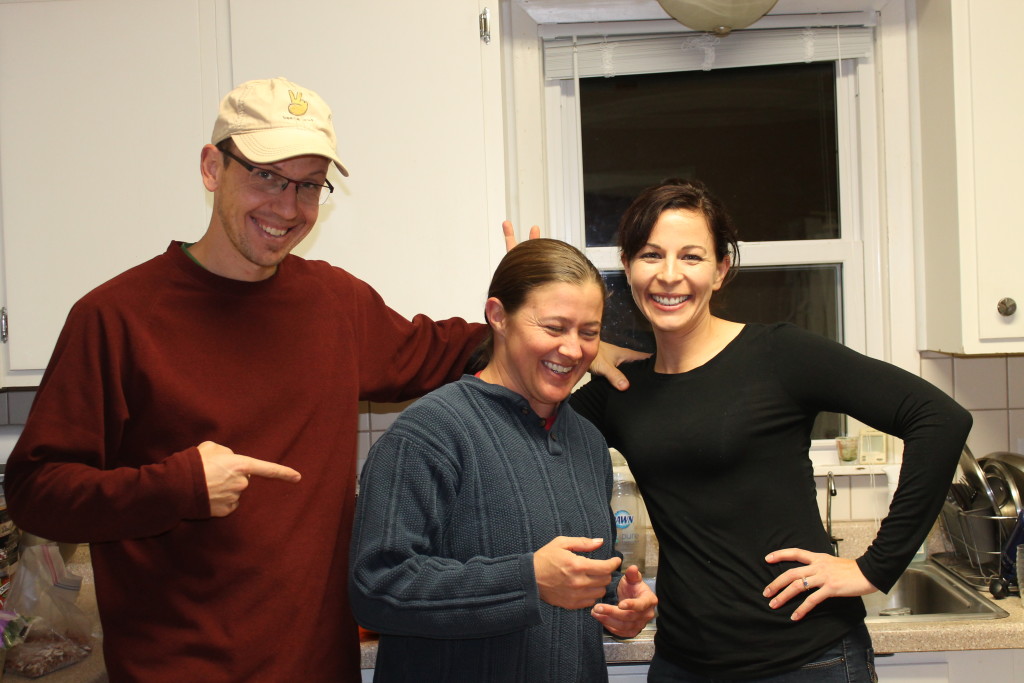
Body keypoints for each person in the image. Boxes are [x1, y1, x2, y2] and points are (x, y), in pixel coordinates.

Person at [1, 77, 639, 683]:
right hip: (179, 668)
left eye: (308, 187)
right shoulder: (116, 317)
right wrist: (178, 485)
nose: (287, 206)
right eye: (267, 177)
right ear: (210, 167)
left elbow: (443, 346)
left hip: (317, 664)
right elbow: (36, 491)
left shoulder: (334, 303)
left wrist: (558, 330)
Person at [566, 179, 972, 681]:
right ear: (626, 266)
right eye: (651, 255)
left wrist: (874, 567)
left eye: (691, 257)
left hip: (808, 660)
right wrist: (578, 341)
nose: (669, 276)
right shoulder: (622, 390)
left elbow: (939, 418)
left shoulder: (779, 355)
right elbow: (520, 427)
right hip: (683, 664)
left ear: (720, 271)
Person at [349, 238, 657, 682]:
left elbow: (580, 584)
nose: (573, 350)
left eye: (588, 333)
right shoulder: (429, 432)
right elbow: (375, 588)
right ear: (498, 317)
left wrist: (621, 608)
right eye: (554, 328)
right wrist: (526, 580)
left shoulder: (588, 443)